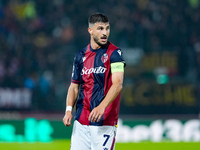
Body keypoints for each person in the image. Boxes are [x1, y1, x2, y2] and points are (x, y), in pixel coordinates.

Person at [63, 13, 125, 150]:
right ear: (90, 30)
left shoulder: (115, 53)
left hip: (104, 122)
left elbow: (118, 83)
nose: (105, 33)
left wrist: (102, 107)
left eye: (107, 28)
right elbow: (74, 86)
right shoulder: (80, 55)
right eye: (100, 28)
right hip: (81, 121)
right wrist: (68, 110)